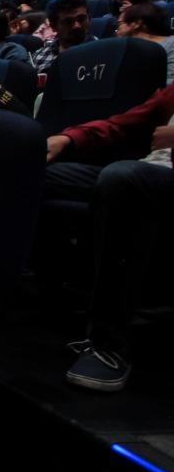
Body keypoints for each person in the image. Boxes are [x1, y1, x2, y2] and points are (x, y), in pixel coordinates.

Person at [44, 84, 174, 391]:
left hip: (147, 179)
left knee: (124, 178)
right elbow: (123, 124)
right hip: (149, 173)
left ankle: (108, 345)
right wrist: (67, 137)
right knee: (34, 168)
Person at [31, 0, 94, 74]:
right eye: (68, 22)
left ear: (89, 19)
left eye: (81, 19)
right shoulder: (39, 56)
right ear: (53, 26)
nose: (77, 26)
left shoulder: (104, 50)